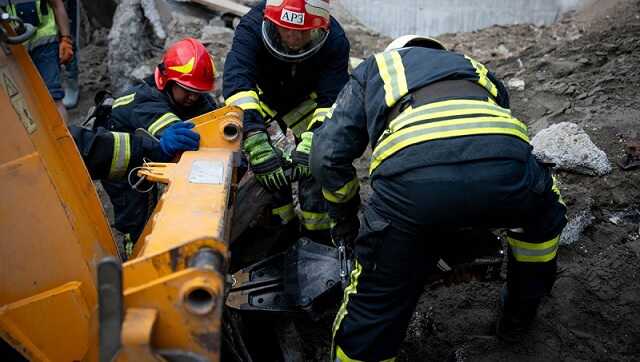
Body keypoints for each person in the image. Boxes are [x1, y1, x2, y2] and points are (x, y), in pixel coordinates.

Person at [310, 35, 568, 361]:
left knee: (375, 305)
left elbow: (326, 156)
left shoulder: (377, 67)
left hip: (411, 186)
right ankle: (519, 317)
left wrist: (346, 218)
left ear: (397, 52)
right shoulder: (474, 68)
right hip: (509, 168)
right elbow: (480, 139)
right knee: (544, 217)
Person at [223, 0, 350, 242]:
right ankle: (279, 229)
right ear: (270, 22)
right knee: (264, 165)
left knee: (320, 164)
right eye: (285, 29)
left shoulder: (335, 39)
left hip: (307, 106)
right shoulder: (251, 25)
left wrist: (315, 141)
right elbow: (238, 81)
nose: (292, 39)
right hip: (263, 104)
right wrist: (254, 136)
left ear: (318, 28)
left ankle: (320, 235)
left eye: (301, 32)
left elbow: (333, 99)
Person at [101, 37, 218, 248]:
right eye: (188, 90)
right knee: (137, 216)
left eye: (199, 92)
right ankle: (134, 248)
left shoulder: (196, 97)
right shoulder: (143, 101)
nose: (193, 97)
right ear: (168, 81)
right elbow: (177, 134)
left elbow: (212, 119)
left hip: (150, 156)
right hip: (124, 166)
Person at [3, 0, 73, 120]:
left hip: (45, 44)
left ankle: (63, 137)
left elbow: (57, 5)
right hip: (16, 50)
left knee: (53, 97)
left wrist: (66, 39)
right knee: (24, 103)